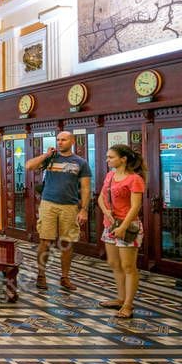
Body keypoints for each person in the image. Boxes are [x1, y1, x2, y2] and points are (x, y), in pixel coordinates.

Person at [25, 131, 91, 291]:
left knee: (67, 242)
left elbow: (86, 188)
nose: (60, 142)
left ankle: (65, 277)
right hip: (48, 204)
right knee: (45, 240)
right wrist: (46, 154)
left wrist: (84, 210)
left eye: (64, 140)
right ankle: (41, 275)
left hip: (70, 205)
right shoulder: (50, 158)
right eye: (58, 140)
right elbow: (29, 166)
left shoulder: (80, 163)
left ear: (72, 141)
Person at [96, 144, 146, 319]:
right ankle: (120, 297)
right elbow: (101, 197)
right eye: (107, 157)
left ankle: (128, 305)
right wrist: (105, 211)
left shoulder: (134, 179)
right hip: (110, 225)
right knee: (114, 263)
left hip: (127, 227)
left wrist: (123, 227)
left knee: (128, 266)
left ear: (123, 159)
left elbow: (136, 206)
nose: (107, 160)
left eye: (111, 157)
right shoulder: (110, 176)